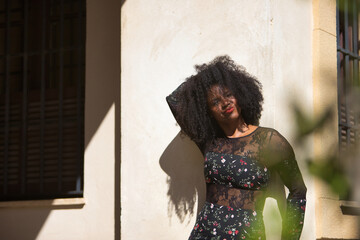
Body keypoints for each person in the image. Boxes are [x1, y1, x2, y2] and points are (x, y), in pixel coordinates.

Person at [166, 56, 307, 240]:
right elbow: (174, 99)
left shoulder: (269, 140)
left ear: (240, 93)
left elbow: (298, 190)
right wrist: (207, 78)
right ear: (207, 111)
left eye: (228, 93)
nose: (225, 103)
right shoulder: (209, 141)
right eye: (214, 102)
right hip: (204, 234)